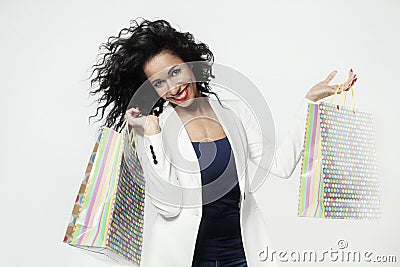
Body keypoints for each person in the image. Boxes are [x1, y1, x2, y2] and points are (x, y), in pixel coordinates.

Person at [88, 18, 357, 267]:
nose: (172, 88)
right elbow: (168, 208)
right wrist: (152, 132)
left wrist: (309, 103)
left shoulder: (234, 112)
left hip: (241, 252)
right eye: (158, 82)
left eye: (175, 72)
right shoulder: (152, 129)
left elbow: (282, 165)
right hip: (185, 256)